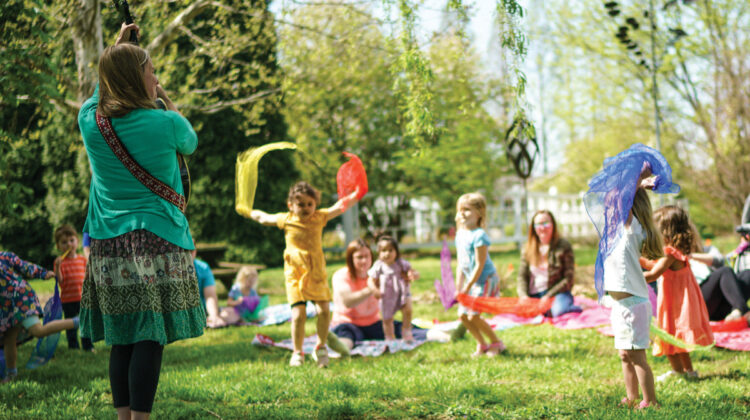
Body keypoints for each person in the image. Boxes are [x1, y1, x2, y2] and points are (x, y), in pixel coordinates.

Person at [78, 23, 205, 420]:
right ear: (139, 78)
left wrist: (117, 49)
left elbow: (101, 91)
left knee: (123, 336)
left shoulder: (91, 123)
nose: (154, 77)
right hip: (158, 239)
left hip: (107, 242)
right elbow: (191, 142)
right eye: (150, 71)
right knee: (150, 333)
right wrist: (164, 96)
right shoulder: (165, 123)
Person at [250, 181, 359, 367]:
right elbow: (263, 218)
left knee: (324, 310)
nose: (306, 208)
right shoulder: (286, 219)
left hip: (316, 273)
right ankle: (297, 352)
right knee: (299, 315)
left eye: (310, 204)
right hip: (295, 273)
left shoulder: (320, 217)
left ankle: (321, 346)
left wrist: (356, 193)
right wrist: (247, 210)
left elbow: (340, 206)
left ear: (315, 204)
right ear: (290, 205)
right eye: (301, 204)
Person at [641, 206, 714, 382]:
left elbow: (653, 274)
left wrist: (630, 278)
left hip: (676, 304)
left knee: (672, 337)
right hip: (677, 302)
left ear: (665, 231)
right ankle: (686, 371)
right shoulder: (676, 252)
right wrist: (640, 260)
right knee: (673, 338)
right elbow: (655, 266)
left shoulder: (670, 254)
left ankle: (683, 371)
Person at [330, 239, 426, 353]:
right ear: (350, 259)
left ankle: (442, 335)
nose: (364, 260)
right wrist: (372, 288)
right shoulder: (341, 275)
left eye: (367, 256)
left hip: (373, 323)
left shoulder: (380, 272)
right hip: (347, 322)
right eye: (360, 257)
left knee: (401, 327)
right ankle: (342, 350)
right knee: (347, 335)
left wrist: (410, 275)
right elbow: (348, 301)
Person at [1, 251, 78, 383]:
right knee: (9, 339)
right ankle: (11, 374)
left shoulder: (4, 256)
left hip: (20, 298)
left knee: (38, 331)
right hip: (6, 307)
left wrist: (42, 273)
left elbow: (24, 266)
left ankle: (78, 321)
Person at [454, 192, 505, 357]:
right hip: (471, 281)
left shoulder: (479, 236)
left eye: (467, 209)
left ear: (479, 213)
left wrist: (468, 286)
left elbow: (479, 265)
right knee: (462, 315)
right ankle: (481, 344)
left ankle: (496, 343)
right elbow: (461, 264)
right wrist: (459, 287)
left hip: (485, 280)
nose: (462, 213)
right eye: (460, 209)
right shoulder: (460, 235)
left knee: (473, 315)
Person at [517, 210, 582, 317]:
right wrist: (523, 296)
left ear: (553, 225)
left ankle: (578, 307)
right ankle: (546, 310)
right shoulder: (527, 248)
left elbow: (568, 279)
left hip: (557, 294)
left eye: (546, 223)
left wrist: (548, 296)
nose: (542, 227)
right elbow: (522, 276)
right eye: (538, 224)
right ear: (533, 227)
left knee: (558, 312)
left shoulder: (563, 246)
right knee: (523, 313)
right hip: (534, 294)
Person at [366, 235, 419, 341]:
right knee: (387, 319)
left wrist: (413, 274)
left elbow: (411, 271)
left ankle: (407, 331)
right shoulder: (379, 265)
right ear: (379, 253)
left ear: (396, 251)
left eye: (390, 250)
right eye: (383, 250)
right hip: (387, 296)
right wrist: (374, 289)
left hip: (402, 293)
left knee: (408, 310)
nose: (387, 253)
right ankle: (389, 337)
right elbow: (370, 279)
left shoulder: (400, 263)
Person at [53, 224, 93, 351]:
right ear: (58, 246)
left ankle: (88, 346)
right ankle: (73, 346)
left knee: (85, 323)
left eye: (72, 240)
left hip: (83, 298)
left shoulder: (82, 260)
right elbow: (61, 282)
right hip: (68, 299)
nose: (69, 244)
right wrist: (58, 268)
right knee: (71, 325)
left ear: (77, 241)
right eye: (64, 242)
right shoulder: (60, 262)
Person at [191, 250, 226, 328]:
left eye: (191, 251)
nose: (189, 254)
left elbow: (210, 295)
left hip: (202, 310)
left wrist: (214, 316)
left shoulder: (203, 267)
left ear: (195, 251)